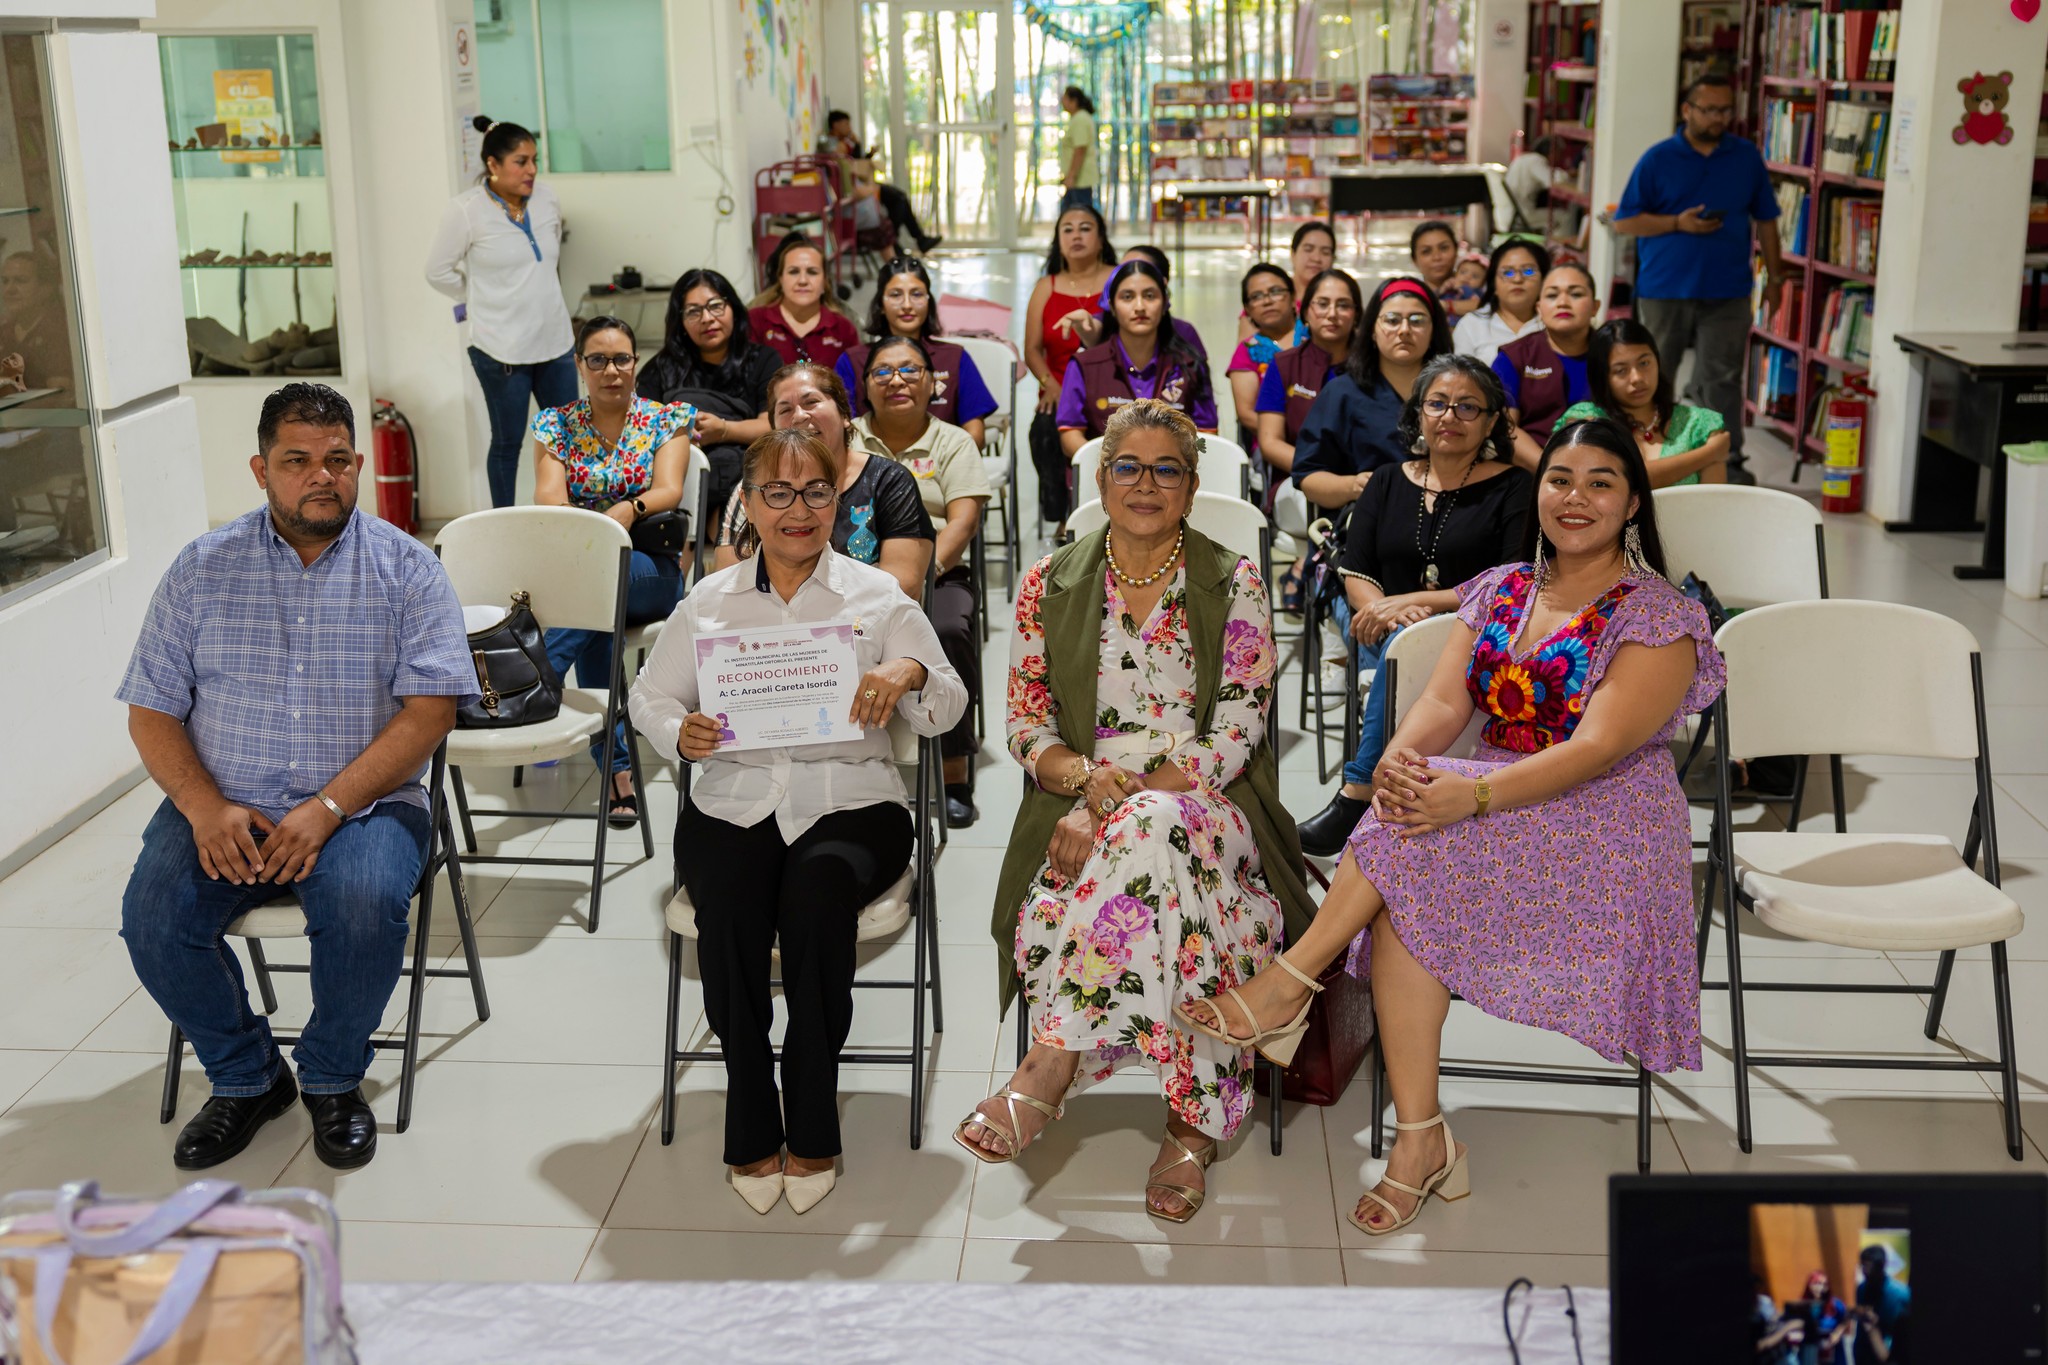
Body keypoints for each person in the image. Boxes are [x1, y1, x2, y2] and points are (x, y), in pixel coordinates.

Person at [1177, 417, 1724, 1236]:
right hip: (1495, 810)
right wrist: (1400, 764)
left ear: (1634, 502)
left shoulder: (1660, 614)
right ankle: (1418, 1138)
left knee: (1409, 838)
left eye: (1600, 482)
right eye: (1560, 479)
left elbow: (1598, 748)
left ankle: (1292, 983)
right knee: (1405, 867)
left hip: (1607, 825)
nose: (1575, 498)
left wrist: (1468, 794)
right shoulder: (1502, 587)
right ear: (1538, 490)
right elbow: (1441, 701)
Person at [959, 399, 1314, 1223]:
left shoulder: (1234, 579)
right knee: (1170, 887)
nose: (1145, 485)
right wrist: (1088, 782)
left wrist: (1116, 805)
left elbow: (1237, 732)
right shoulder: (1049, 581)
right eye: (1128, 466)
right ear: (1100, 477)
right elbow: (1026, 724)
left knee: (1156, 826)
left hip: (1211, 805)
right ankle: (1193, 1126)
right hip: (1086, 800)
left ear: (1190, 486)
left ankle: (1050, 1061)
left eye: (1166, 470)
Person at [116, 383, 474, 1173]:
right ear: (261, 470)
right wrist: (203, 807)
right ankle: (247, 1075)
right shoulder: (202, 569)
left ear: (358, 466)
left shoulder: (409, 571)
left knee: (362, 904)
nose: (322, 476)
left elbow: (429, 715)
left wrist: (330, 805)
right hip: (223, 801)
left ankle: (333, 1075)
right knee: (153, 918)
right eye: (298, 460)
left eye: (338, 459)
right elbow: (151, 710)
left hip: (364, 804)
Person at [629, 427, 966, 1217]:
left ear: (836, 501)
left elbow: (947, 705)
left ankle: (812, 1115)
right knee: (731, 908)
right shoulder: (709, 602)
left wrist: (910, 668)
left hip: (855, 800)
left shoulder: (877, 596)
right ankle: (751, 1111)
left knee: (816, 899)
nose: (798, 509)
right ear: (748, 504)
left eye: (815, 491)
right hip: (736, 795)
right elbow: (650, 694)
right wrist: (679, 730)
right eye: (776, 492)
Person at [1296, 355, 1531, 856]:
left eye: (1468, 407)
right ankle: (1388, 798)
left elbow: (1511, 581)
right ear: (1418, 412)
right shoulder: (1386, 479)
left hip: (1471, 622)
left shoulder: (1515, 487)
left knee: (1407, 643)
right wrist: (1384, 609)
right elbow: (1356, 571)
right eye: (1438, 403)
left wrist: (1412, 604)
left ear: (1492, 420)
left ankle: (1360, 790)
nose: (1450, 416)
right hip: (1376, 616)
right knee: (1398, 640)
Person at [530, 315, 693, 827]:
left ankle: (536, 678)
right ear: (580, 365)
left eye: (621, 359)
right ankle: (618, 774)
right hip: (587, 573)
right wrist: (597, 531)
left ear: (635, 363)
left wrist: (629, 509)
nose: (611, 370)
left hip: (651, 570)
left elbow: (669, 489)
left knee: (600, 590)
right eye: (598, 360)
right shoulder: (556, 424)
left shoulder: (665, 419)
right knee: (599, 618)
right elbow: (548, 497)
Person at [1614, 73, 1785, 486]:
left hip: (1728, 289)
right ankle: (1648, 457)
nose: (1718, 118)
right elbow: (1626, 221)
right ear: (1687, 110)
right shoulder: (1658, 159)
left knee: (1722, 377)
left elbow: (1766, 219)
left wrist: (1776, 278)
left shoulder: (1745, 157)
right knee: (1656, 375)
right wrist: (1677, 223)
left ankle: (1727, 460)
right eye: (1709, 110)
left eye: (1725, 110)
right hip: (1665, 288)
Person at [851, 336, 990, 826]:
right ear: (865, 385)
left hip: (935, 574)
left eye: (910, 370)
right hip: (854, 574)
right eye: (883, 371)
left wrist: (916, 578)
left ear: (933, 383)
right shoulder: (845, 437)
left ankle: (953, 771)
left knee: (949, 631)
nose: (897, 380)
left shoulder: (953, 441)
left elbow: (963, 522)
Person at [426, 116, 575, 508]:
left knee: (569, 438)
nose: (531, 170)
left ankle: (575, 519)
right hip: (500, 348)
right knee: (508, 443)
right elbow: (437, 271)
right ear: (493, 164)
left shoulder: (547, 199)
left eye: (534, 160)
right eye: (520, 162)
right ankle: (504, 525)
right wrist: (475, 297)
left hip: (556, 342)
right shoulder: (466, 210)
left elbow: (547, 264)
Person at [714, 363, 933, 600]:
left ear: (845, 415)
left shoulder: (889, 480)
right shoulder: (753, 488)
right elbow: (729, 584)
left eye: (811, 402)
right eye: (785, 409)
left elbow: (903, 587)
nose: (799, 416)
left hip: (863, 620)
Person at [1292, 276, 1453, 511]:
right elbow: (1308, 475)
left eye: (1417, 320)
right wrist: (1353, 486)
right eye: (1392, 320)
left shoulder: (1456, 391)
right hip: (1370, 518)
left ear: (1433, 331)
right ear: (1373, 331)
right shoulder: (1342, 393)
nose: (1404, 330)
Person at [636, 267, 779, 520]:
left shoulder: (763, 360)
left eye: (715, 306)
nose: (707, 318)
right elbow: (641, 435)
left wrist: (723, 430)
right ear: (680, 321)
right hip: (678, 486)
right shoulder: (658, 370)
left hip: (748, 482)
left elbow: (775, 426)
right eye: (693, 311)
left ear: (733, 307)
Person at [1056, 257, 1218, 456]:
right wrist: (1112, 466)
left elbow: (1207, 435)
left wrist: (1180, 464)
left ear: (1165, 303)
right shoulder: (1084, 365)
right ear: (1112, 306)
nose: (1139, 306)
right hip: (1103, 473)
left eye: (1150, 296)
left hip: (1173, 473)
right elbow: (1070, 435)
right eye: (1127, 297)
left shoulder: (1190, 365)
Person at [834, 257, 997, 447]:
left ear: (929, 302)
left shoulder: (955, 358)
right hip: (872, 462)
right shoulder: (853, 361)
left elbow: (975, 435)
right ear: (881, 305)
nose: (907, 305)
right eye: (895, 295)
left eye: (917, 294)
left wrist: (943, 458)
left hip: (942, 462)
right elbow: (842, 433)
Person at [1024, 204, 1117, 525]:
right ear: (1058, 241)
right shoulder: (1045, 287)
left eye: (1085, 228)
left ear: (1101, 239)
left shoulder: (1117, 280)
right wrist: (1051, 385)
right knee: (1044, 430)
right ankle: (1064, 517)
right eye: (1067, 229)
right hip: (1060, 390)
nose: (1076, 235)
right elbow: (1032, 350)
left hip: (1113, 388)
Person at [1563, 319, 1729, 487]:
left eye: (1644, 363)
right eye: (1621, 370)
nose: (1637, 378)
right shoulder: (1586, 421)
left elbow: (1713, 500)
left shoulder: (1700, 425)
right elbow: (1624, 480)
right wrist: (1708, 453)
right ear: (1602, 377)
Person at [1254, 268, 1359, 490]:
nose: (1332, 313)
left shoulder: (1374, 367)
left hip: (1363, 479)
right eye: (1322, 304)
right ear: (1306, 311)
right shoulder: (1284, 364)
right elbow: (1270, 442)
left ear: (1356, 314)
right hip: (1297, 479)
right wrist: (1318, 473)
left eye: (1343, 305)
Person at [1495, 263, 1599, 469]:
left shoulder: (1614, 354)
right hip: (1532, 470)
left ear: (1595, 307)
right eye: (1552, 295)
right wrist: (1551, 470)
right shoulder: (1514, 357)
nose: (1563, 302)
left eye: (1576, 294)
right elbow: (1506, 428)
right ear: (1539, 308)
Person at [824, 109, 942, 254]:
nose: (849, 127)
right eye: (846, 124)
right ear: (836, 124)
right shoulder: (833, 146)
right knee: (898, 199)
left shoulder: (845, 143)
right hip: (858, 189)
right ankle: (905, 241)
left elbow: (857, 163)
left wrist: (858, 144)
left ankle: (910, 240)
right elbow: (849, 171)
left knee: (899, 198)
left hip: (862, 184)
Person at [1070, 244, 1209, 361]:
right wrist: (1087, 331)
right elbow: (1095, 329)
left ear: (1163, 285)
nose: (1139, 307)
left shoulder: (1184, 333)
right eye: (1123, 270)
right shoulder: (1106, 323)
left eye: (1141, 269)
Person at [1224, 262, 1306, 448]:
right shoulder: (1247, 351)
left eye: (1275, 291)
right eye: (1256, 296)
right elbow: (1246, 414)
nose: (1267, 301)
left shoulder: (1314, 337)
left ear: (1293, 297)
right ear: (1248, 309)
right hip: (1271, 447)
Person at [748, 234, 859, 370]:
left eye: (812, 272)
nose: (802, 281)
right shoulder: (755, 321)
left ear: (825, 281)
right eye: (793, 272)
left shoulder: (844, 329)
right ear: (780, 279)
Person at [1453, 237, 1551, 366]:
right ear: (1493, 284)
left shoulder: (1554, 323)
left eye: (1528, 271)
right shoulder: (1471, 325)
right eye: (1507, 272)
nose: (1517, 279)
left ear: (1544, 279)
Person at [1238, 221, 1338, 342]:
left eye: (1325, 252)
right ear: (1293, 254)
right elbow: (1246, 348)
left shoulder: (1338, 301)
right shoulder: (1265, 300)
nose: (1316, 258)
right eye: (1308, 249)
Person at [0, 251, 72, 394]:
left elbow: (60, 397)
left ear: (46, 289)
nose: (9, 289)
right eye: (5, 281)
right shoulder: (4, 331)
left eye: (21, 281)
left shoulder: (59, 332)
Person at [1850, 1245, 1909, 1363]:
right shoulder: (1861, 1288)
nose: (1865, 1271)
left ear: (1881, 1266)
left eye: (1869, 1266)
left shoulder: (1901, 1293)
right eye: (1863, 1266)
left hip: (1887, 1352)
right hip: (1863, 1351)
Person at [1410, 220, 1477, 318]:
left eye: (1444, 248)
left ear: (1456, 251)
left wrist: (1448, 306)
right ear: (1414, 259)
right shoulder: (1410, 295)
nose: (1437, 257)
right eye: (1426, 251)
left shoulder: (1474, 284)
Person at [1786, 1271, 1852, 1365]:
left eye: (1824, 1284)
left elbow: (1845, 1319)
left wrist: (1837, 1334)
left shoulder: (1835, 1304)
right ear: (1809, 1285)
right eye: (1817, 1283)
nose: (1821, 1288)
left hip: (1831, 1347)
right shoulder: (1802, 1305)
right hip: (1809, 1346)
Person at [1057, 85, 1100, 212]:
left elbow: (1080, 149)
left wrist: (1071, 176)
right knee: (1069, 215)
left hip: (1079, 180)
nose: (1062, 101)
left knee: (1079, 215)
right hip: (1076, 180)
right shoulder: (1078, 118)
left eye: (1065, 98)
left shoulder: (1080, 119)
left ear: (1074, 101)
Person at [1503, 137, 1553, 231]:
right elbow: (1551, 181)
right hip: (1522, 214)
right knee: (1565, 217)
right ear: (1551, 151)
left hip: (1508, 213)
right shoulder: (1537, 160)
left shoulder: (1522, 158)